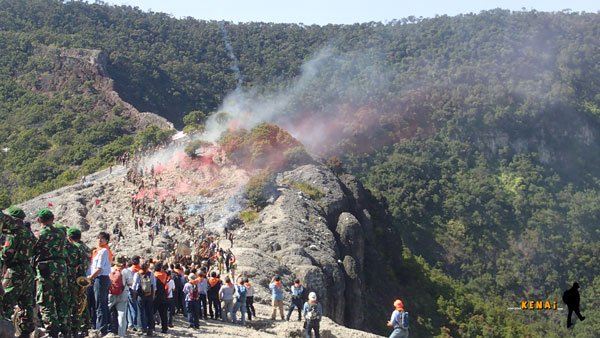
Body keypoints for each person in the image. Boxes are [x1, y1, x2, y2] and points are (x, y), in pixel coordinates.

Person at [33, 208, 70, 338]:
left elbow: (33, 250)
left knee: (46, 301)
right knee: (62, 300)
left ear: (39, 220)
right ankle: (65, 329)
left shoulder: (40, 234)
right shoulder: (61, 233)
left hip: (46, 269)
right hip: (61, 267)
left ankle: (52, 331)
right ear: (52, 219)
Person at [0, 207, 36, 337]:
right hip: (28, 270)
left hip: (15, 270)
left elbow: (7, 254)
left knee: (6, 300)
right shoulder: (30, 233)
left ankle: (5, 329)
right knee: (26, 303)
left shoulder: (14, 233)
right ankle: (26, 331)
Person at [88, 231, 113, 336]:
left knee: (100, 304)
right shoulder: (99, 251)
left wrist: (90, 277)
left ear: (106, 240)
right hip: (101, 278)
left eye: (102, 238)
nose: (99, 240)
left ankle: (101, 328)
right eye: (98, 238)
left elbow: (99, 268)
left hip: (100, 278)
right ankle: (105, 326)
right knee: (101, 303)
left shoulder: (103, 251)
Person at [109, 255, 131, 337]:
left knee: (106, 310)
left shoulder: (110, 269)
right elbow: (130, 283)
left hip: (111, 293)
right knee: (122, 315)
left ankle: (103, 329)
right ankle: (121, 334)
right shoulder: (126, 271)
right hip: (123, 294)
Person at [132, 262, 156, 336]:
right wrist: (153, 295)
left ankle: (141, 328)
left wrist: (134, 295)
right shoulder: (151, 274)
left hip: (140, 295)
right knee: (150, 311)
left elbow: (134, 286)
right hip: (149, 295)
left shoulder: (137, 274)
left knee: (140, 312)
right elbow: (154, 285)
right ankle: (151, 329)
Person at [153, 262, 170, 334]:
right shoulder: (164, 275)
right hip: (163, 296)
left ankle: (152, 327)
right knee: (163, 314)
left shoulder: (154, 275)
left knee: (152, 312)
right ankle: (164, 329)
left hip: (156, 297)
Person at [127, 256, 142, 332]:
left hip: (130, 289)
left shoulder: (129, 270)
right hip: (139, 291)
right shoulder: (141, 270)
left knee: (131, 307)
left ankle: (131, 324)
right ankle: (137, 323)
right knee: (137, 307)